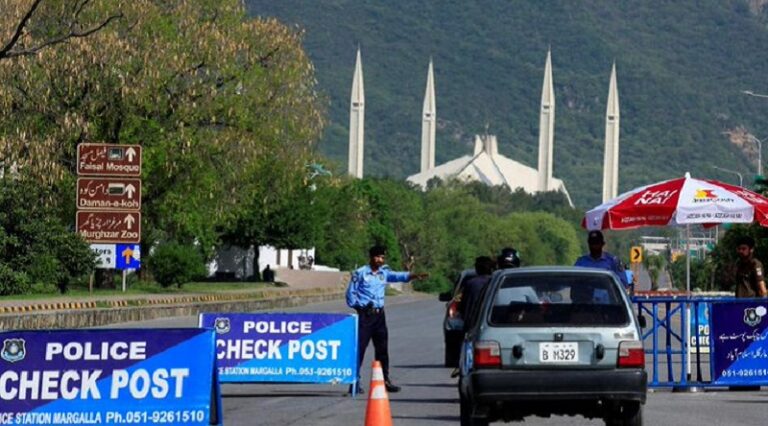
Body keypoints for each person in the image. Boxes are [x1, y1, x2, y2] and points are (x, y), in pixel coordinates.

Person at [346, 245, 428, 394]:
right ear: (371, 257)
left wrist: (414, 276)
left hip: (379, 316)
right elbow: (350, 294)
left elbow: (398, 276)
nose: (380, 260)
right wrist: (360, 308)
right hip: (366, 315)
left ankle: (385, 380)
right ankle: (354, 381)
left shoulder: (383, 273)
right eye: (377, 257)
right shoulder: (361, 273)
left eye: (382, 257)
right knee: (360, 349)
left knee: (382, 349)